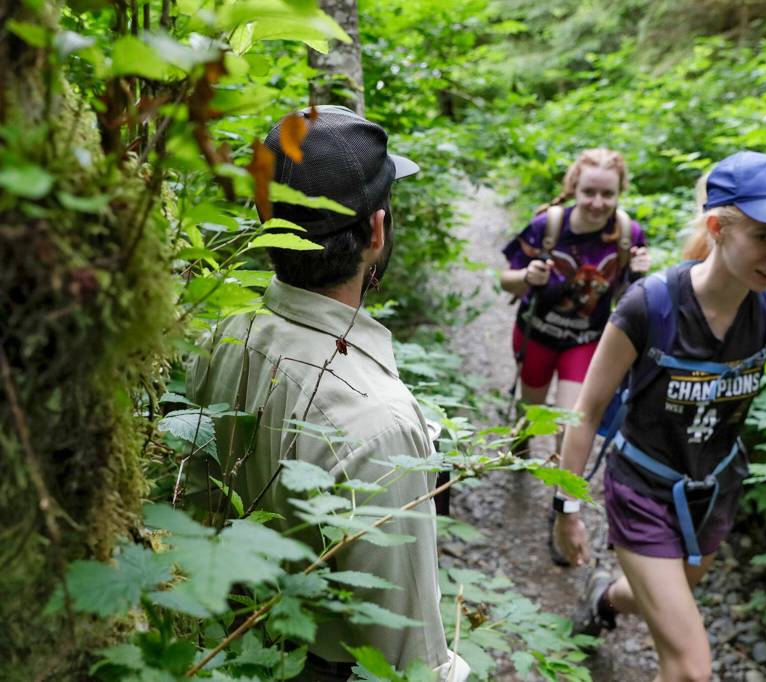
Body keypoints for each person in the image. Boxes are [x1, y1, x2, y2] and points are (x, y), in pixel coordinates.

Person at [551, 151, 766, 682]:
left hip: (712, 491)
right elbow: (588, 410)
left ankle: (606, 600)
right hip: (643, 488)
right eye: (763, 237)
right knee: (690, 668)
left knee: (673, 590)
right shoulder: (650, 305)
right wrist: (566, 507)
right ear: (718, 227)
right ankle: (616, 597)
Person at [187, 106, 469, 681]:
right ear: (377, 231)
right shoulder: (382, 424)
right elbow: (410, 660)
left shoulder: (223, 335)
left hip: (224, 642)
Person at [500, 148, 650, 445]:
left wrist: (637, 276)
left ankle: (560, 489)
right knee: (531, 410)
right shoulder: (548, 226)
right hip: (537, 335)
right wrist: (528, 277)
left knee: (569, 423)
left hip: (585, 341)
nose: (597, 203)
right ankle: (519, 447)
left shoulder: (627, 234)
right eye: (589, 192)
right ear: (574, 190)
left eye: (607, 194)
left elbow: (622, 296)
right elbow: (507, 281)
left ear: (620, 192)